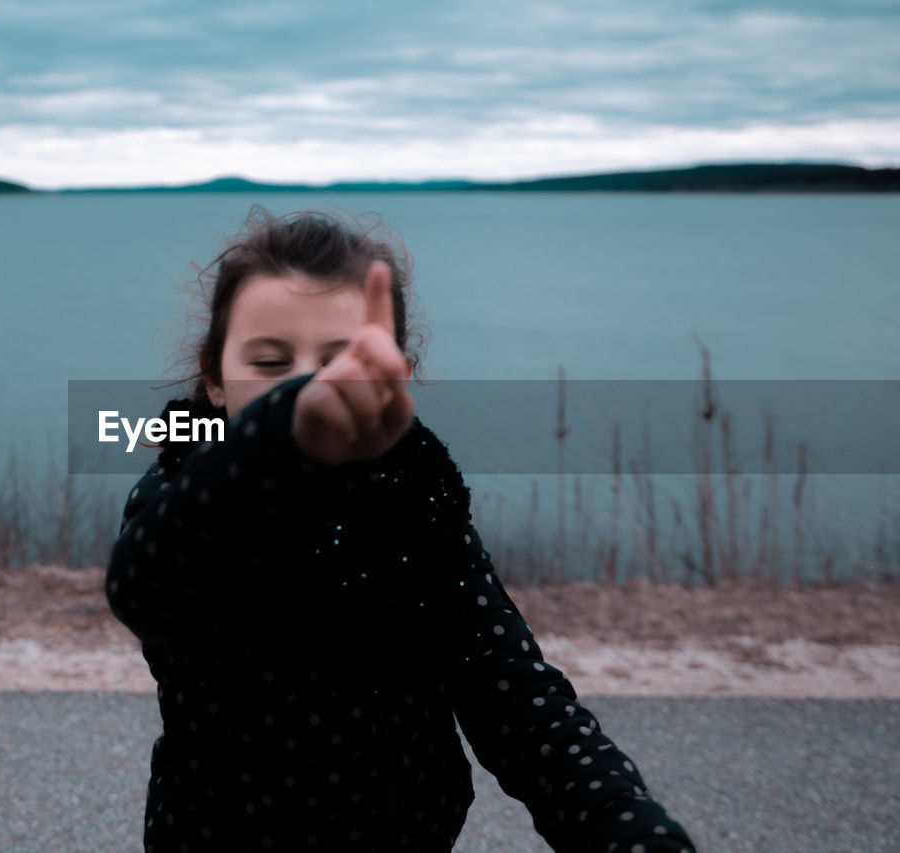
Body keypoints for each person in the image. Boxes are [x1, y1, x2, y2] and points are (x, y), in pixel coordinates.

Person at [106, 207, 698, 853]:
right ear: (215, 378)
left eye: (342, 361)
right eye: (272, 362)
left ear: (396, 376)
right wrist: (281, 442)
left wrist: (622, 824)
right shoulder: (190, 497)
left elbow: (511, 690)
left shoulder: (418, 497)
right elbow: (147, 585)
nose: (310, 388)